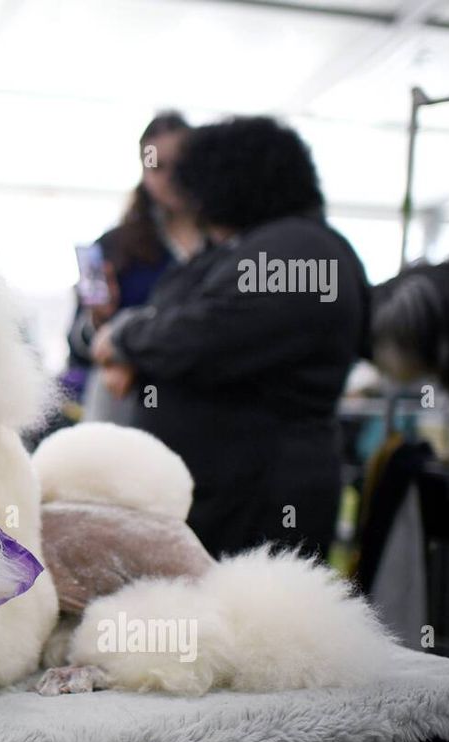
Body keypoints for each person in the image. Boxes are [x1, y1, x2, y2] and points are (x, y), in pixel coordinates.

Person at [91, 116, 369, 560]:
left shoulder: (298, 248)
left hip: (259, 500)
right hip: (238, 494)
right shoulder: (274, 245)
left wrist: (126, 338)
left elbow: (202, 333)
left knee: (253, 624)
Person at [67, 112, 202, 424]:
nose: (168, 177)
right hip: (126, 409)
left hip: (201, 413)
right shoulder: (112, 248)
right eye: (157, 166)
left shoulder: (226, 246)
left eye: (179, 163)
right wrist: (99, 319)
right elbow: (76, 344)